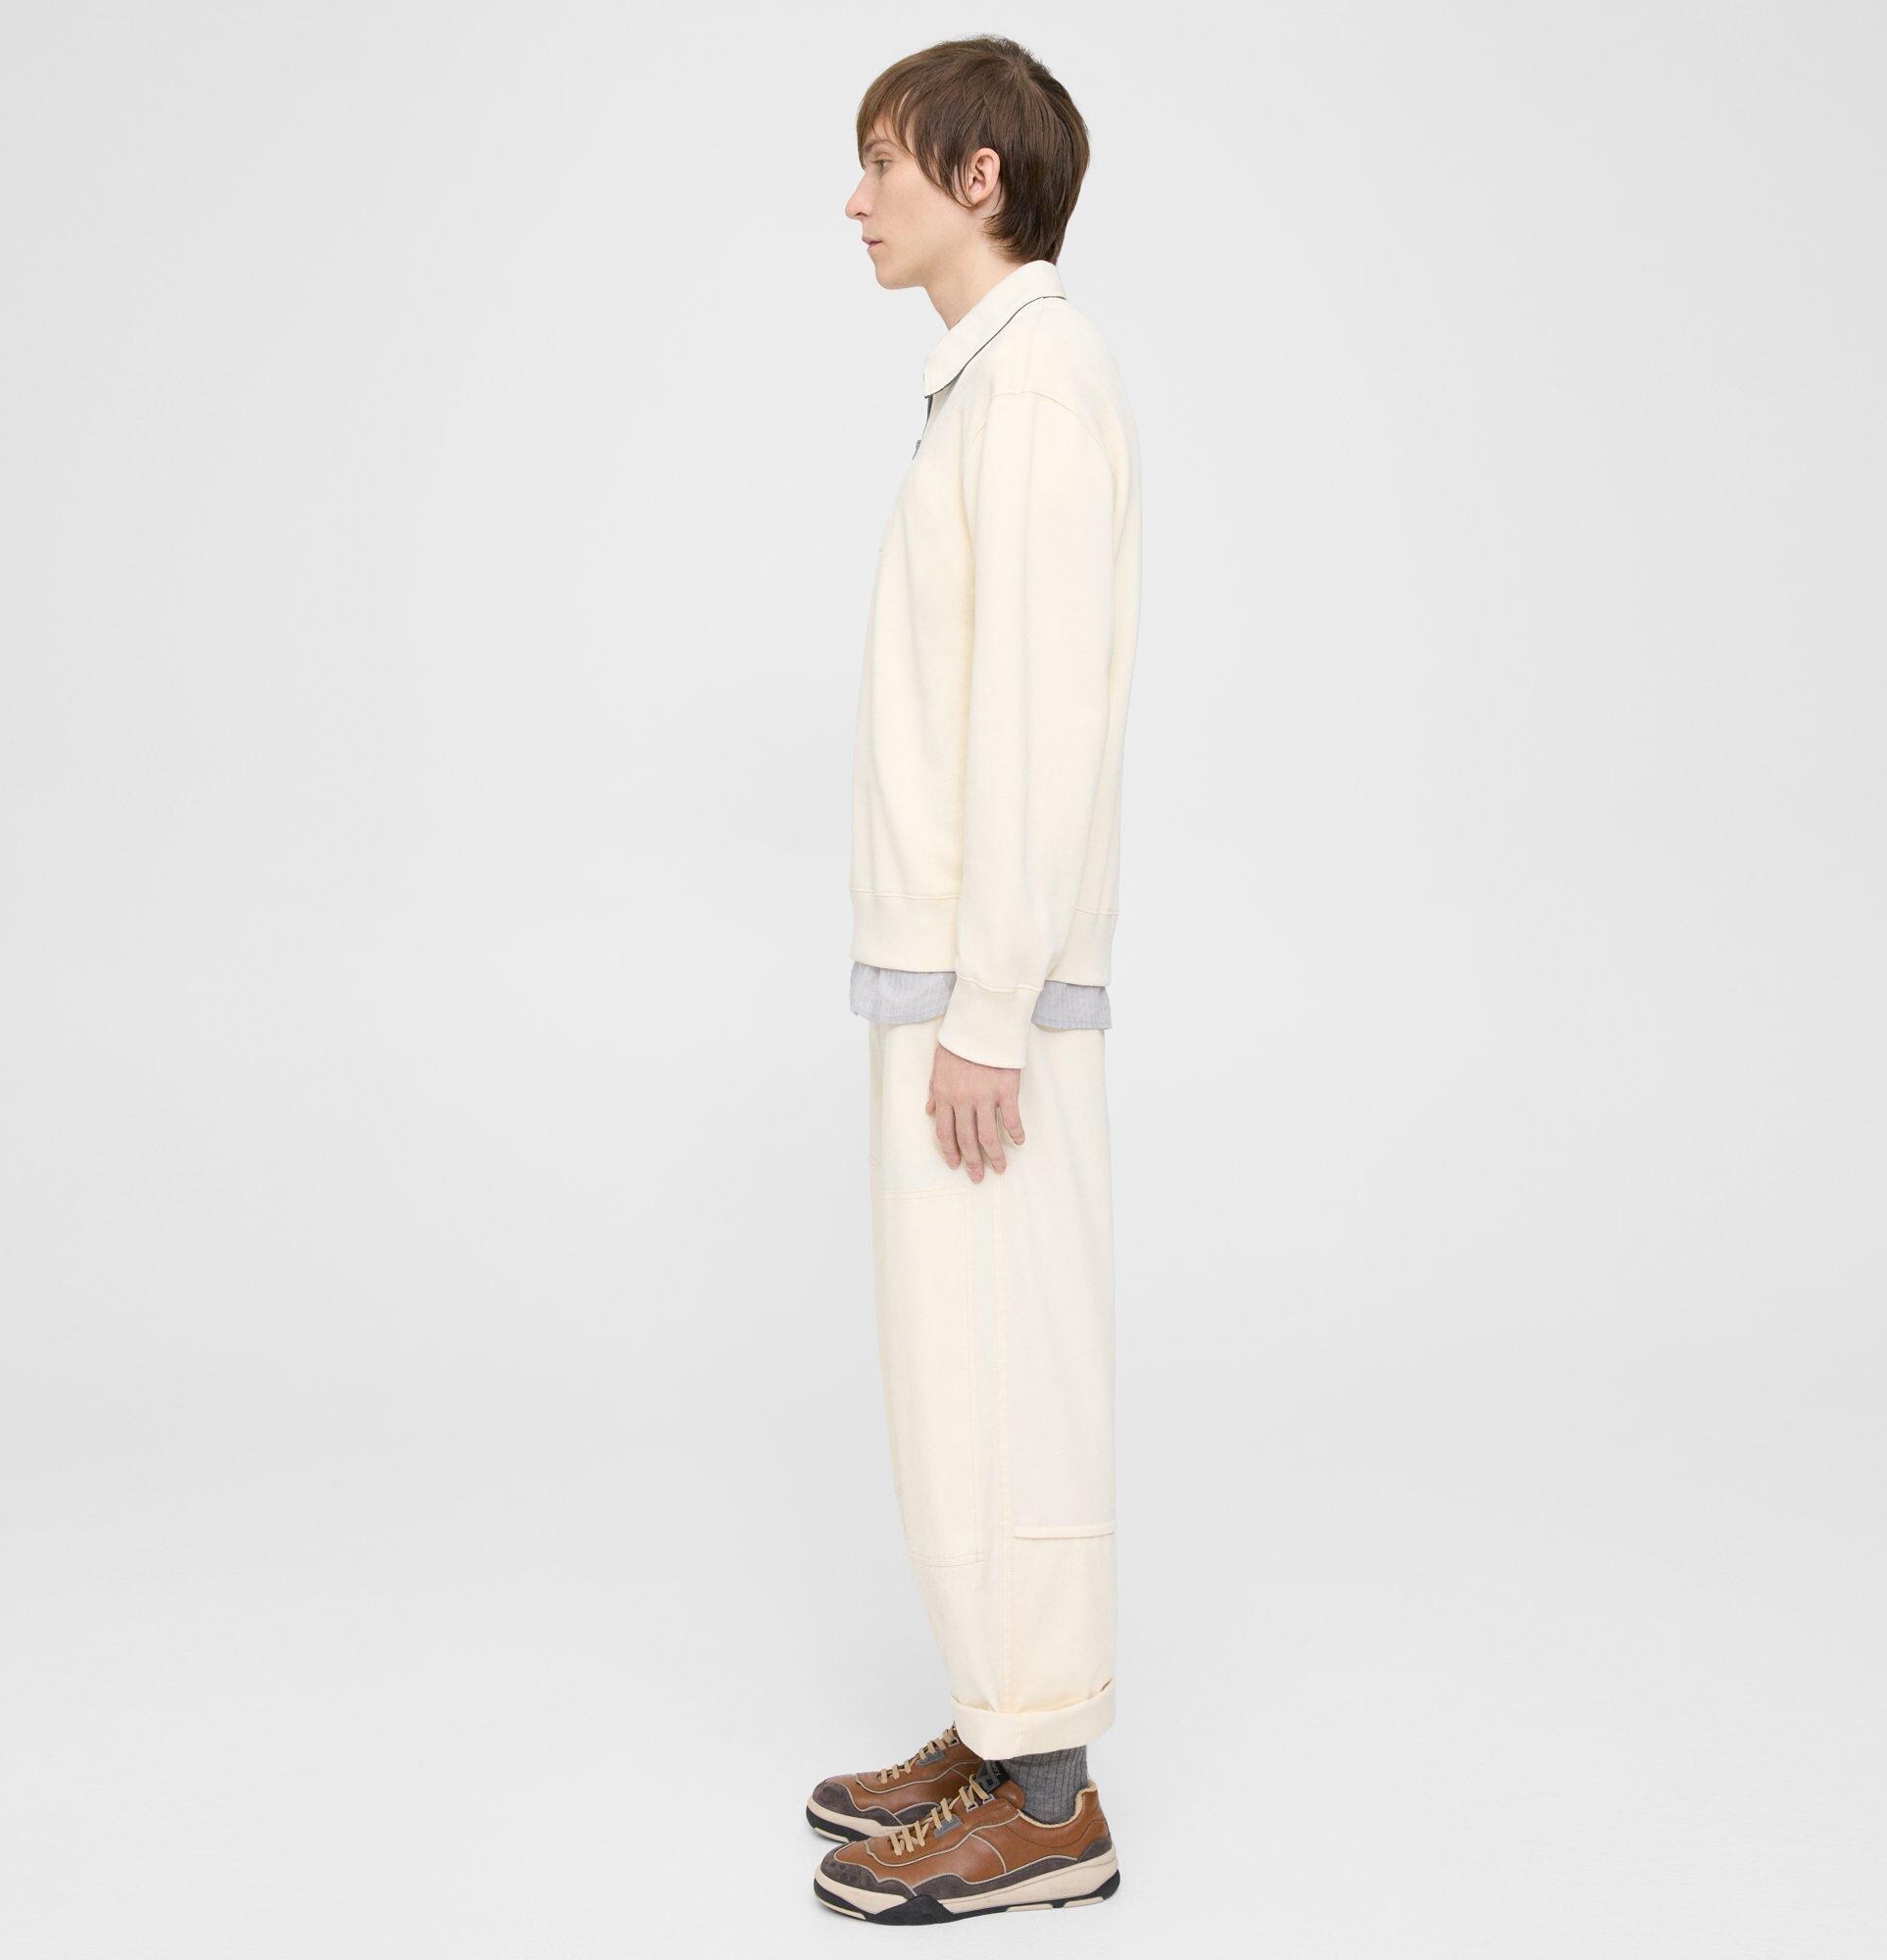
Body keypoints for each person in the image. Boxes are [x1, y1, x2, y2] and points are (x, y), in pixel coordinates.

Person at [806, 36, 1144, 1927]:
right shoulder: (989, 388)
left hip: (979, 1007)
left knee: (1012, 1370)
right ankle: (1000, 1726)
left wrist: (993, 1010)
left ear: (979, 179)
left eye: (882, 162)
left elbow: (1039, 724)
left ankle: (1053, 1804)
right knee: (958, 1366)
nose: (854, 200)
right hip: (947, 990)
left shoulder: (1038, 387)